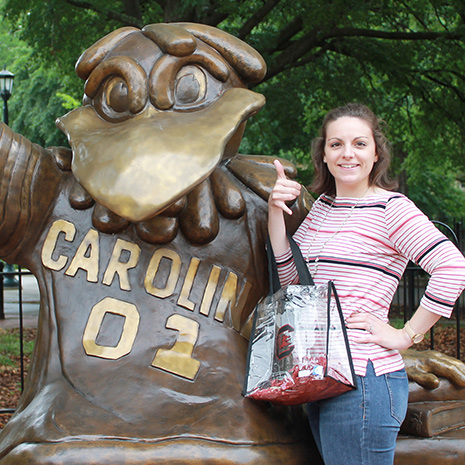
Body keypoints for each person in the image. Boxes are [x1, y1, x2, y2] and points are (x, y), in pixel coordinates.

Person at [267, 102, 465, 465]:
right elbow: (296, 287)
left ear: (376, 153)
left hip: (364, 382)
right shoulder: (324, 208)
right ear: (323, 155)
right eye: (336, 144)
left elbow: (453, 267)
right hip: (320, 376)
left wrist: (407, 336)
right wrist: (276, 217)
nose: (348, 154)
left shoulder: (392, 209)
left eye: (359, 144)